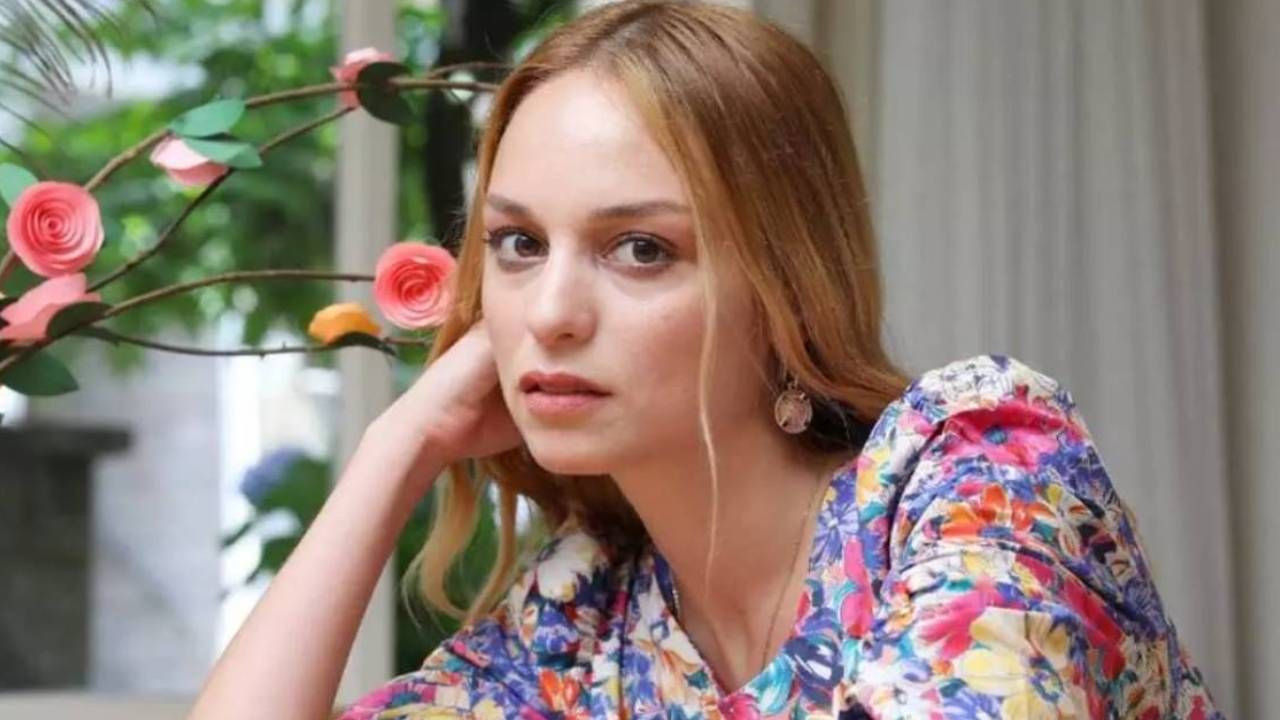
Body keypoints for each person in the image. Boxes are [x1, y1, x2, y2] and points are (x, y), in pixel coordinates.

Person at [186, 1, 1222, 718]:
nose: (549, 314)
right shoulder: (583, 623)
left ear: (786, 286)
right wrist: (398, 443)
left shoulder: (976, 468)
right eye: (517, 243)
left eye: (641, 249)